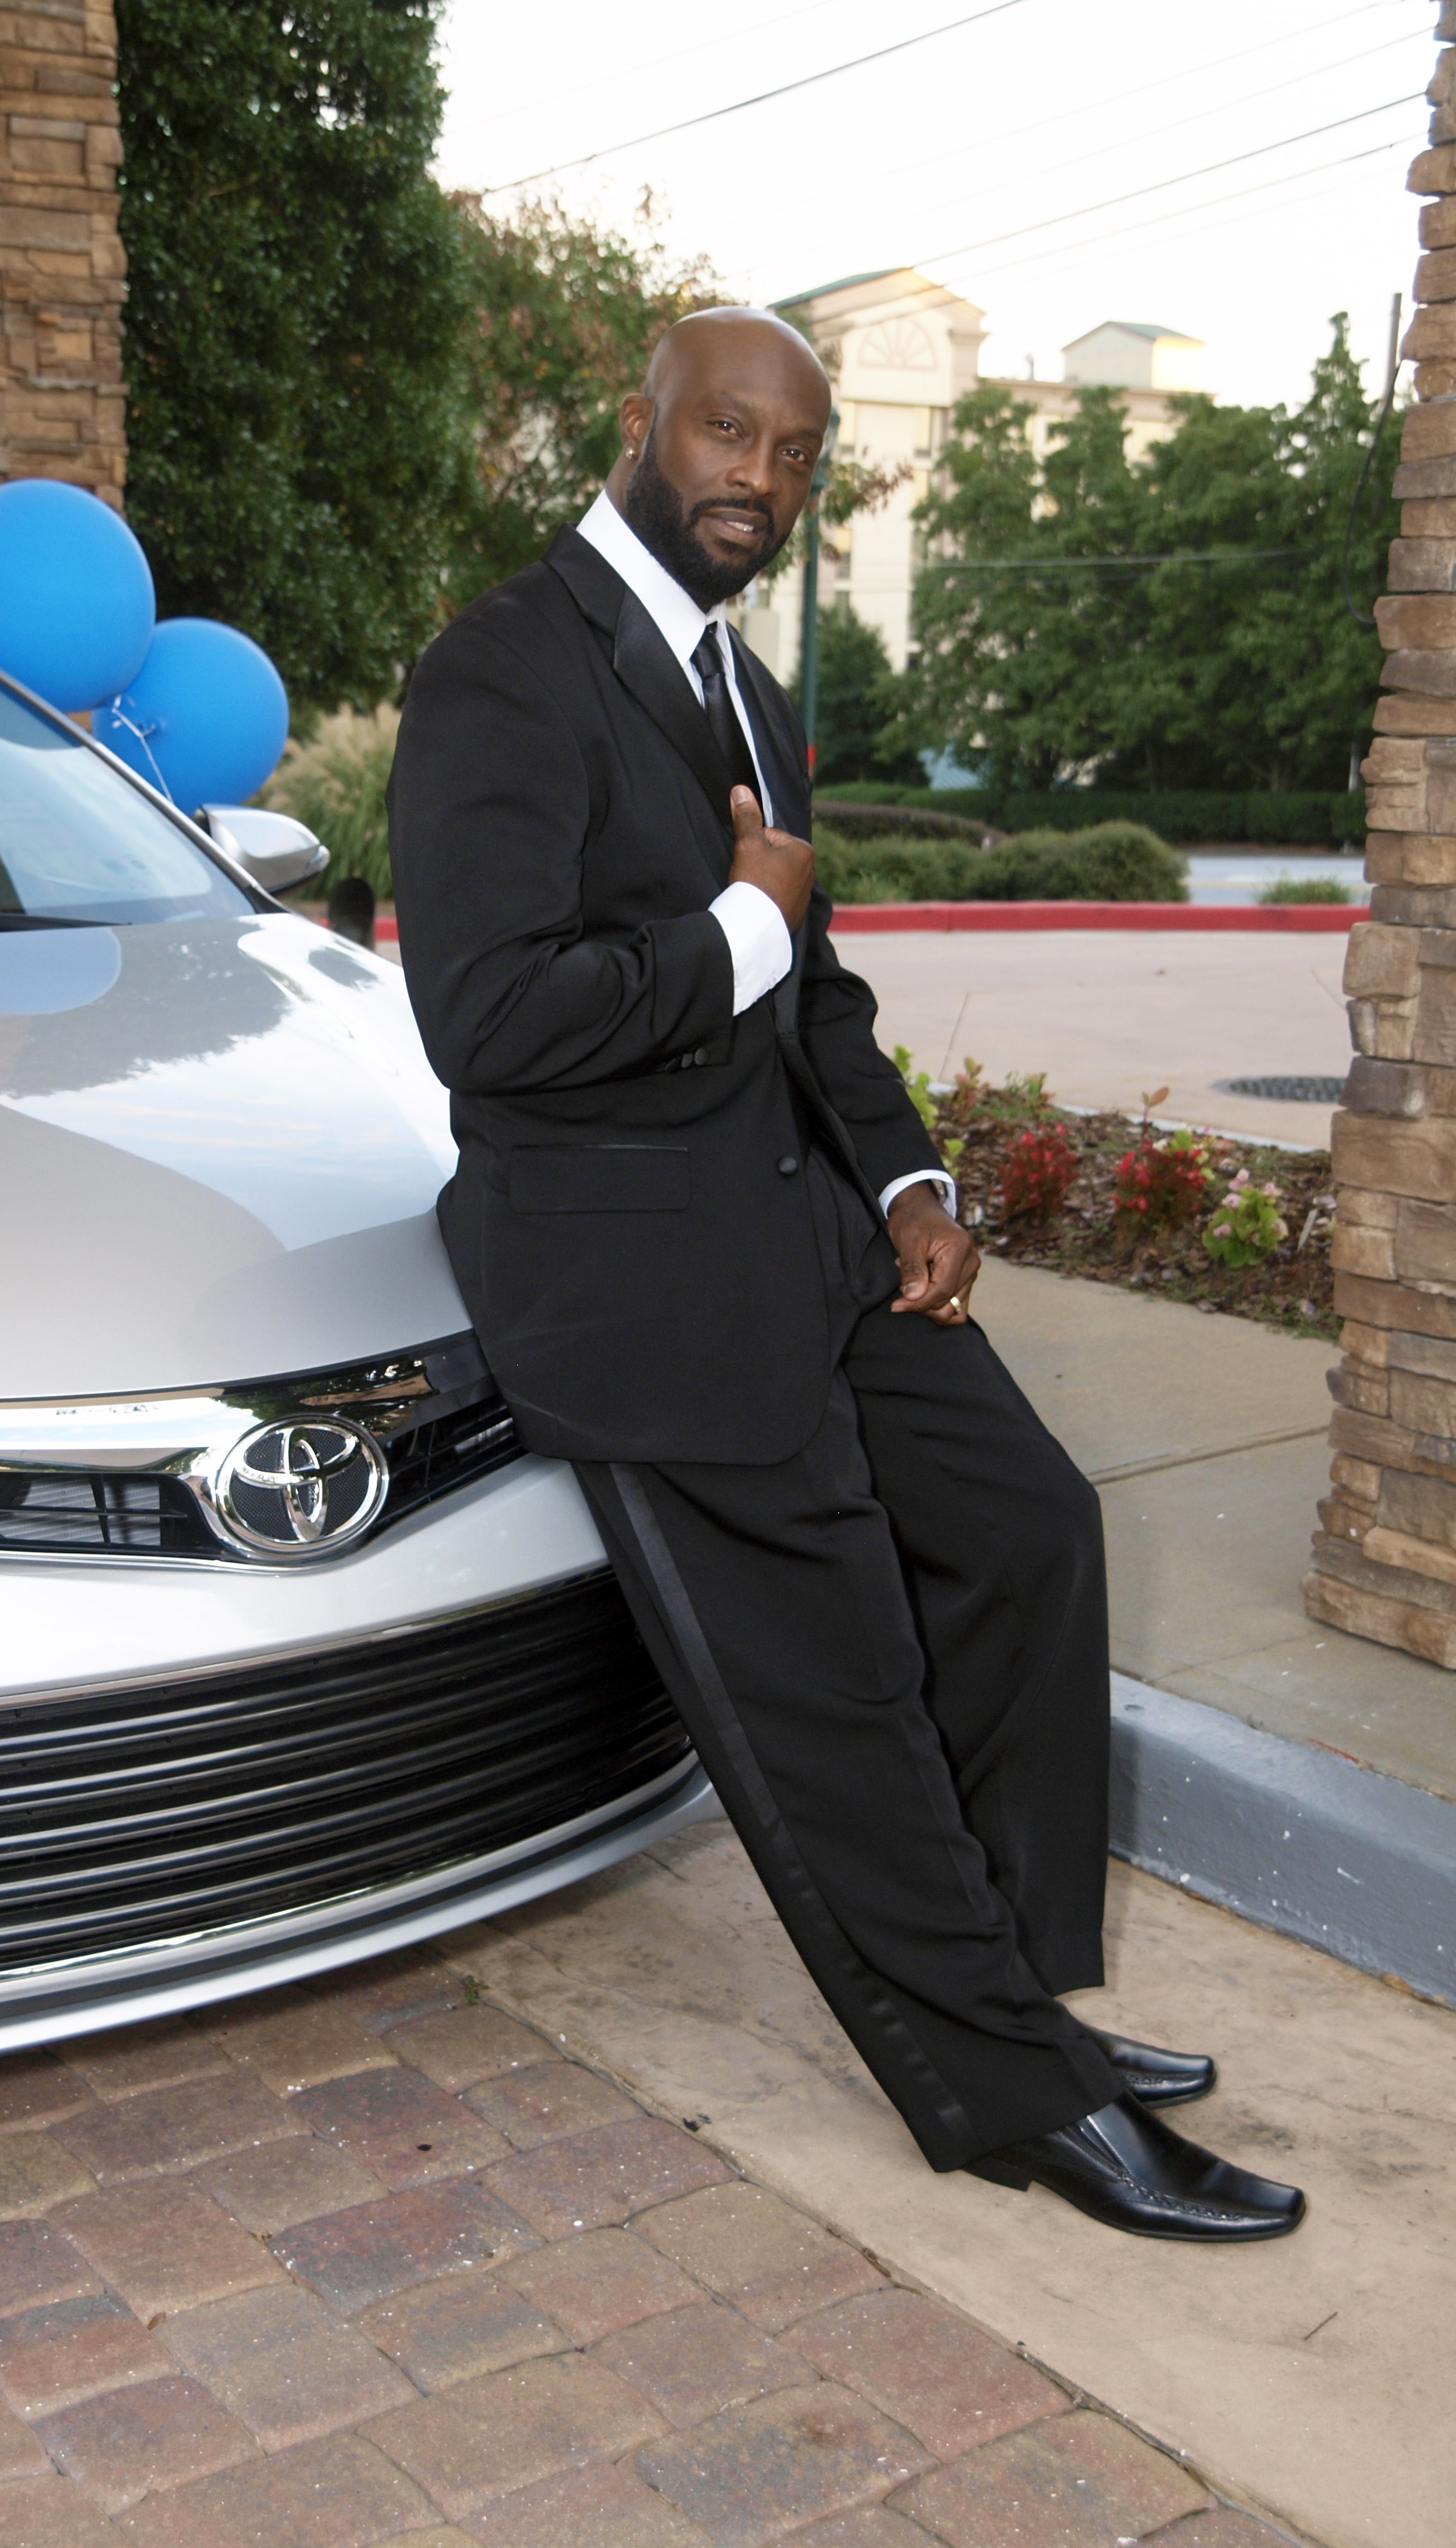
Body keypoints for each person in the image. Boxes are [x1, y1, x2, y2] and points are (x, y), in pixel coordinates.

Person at [388, 306, 1304, 2241]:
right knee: (844, 1684)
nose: (764, 480)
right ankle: (1004, 2093)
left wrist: (907, 1179)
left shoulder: (747, 693)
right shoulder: (504, 668)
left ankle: (1018, 1997)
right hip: (642, 1285)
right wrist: (740, 920)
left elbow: (824, 993)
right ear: (644, 426)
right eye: (731, 435)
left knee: (1033, 1535)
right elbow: (483, 1019)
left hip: (809, 1233)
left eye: (799, 456)